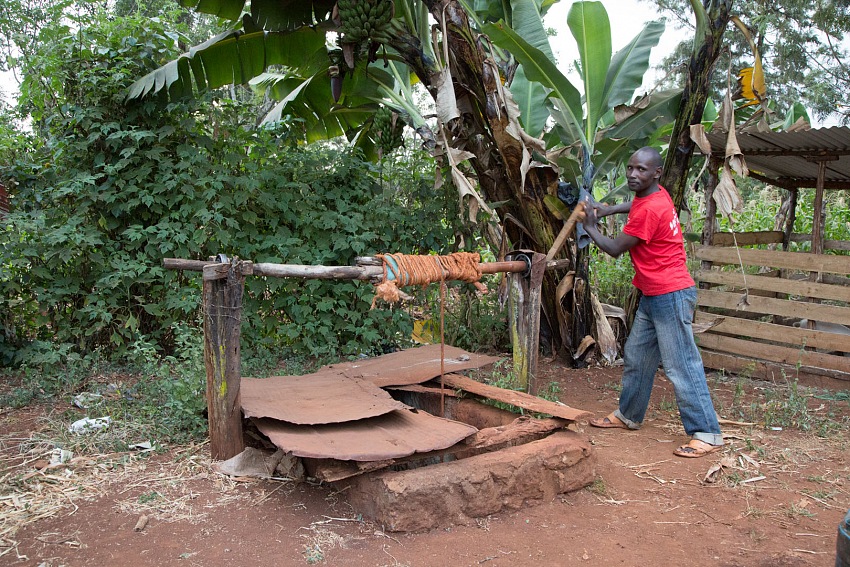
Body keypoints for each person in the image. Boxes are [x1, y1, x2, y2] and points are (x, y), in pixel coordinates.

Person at [581, 147, 723, 458]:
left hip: (669, 294)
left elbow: (616, 248)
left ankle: (707, 432)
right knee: (637, 355)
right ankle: (629, 414)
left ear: (656, 173)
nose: (633, 174)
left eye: (641, 170)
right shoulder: (656, 196)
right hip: (654, 292)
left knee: (681, 365)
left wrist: (591, 226)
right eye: (630, 168)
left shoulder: (649, 211)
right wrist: (606, 210)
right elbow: (634, 202)